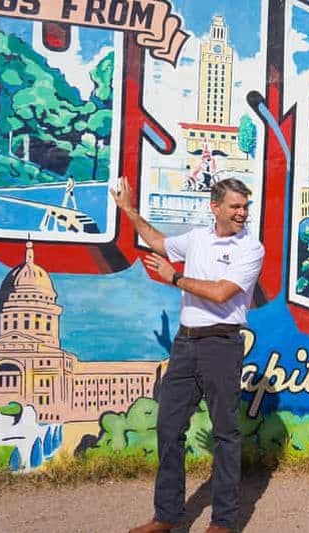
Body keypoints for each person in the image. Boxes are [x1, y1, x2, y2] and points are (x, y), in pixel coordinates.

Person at [112, 177, 264, 533]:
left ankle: (223, 522)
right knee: (168, 428)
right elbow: (159, 243)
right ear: (216, 207)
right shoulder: (196, 238)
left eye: (245, 206)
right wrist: (128, 210)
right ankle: (166, 516)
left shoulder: (250, 248)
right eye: (235, 206)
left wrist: (175, 279)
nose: (242, 213)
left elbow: (222, 292)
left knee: (225, 434)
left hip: (222, 345)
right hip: (185, 344)